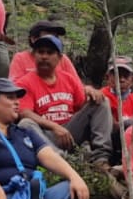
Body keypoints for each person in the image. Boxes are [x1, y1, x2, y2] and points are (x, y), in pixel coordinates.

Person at [15, 35, 112, 165]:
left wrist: (92, 93)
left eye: (50, 53)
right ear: (34, 56)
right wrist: (54, 127)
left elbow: (82, 105)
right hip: (46, 135)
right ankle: (64, 161)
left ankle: (100, 159)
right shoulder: (24, 82)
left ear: (60, 58)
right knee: (25, 123)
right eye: (40, 52)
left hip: (70, 131)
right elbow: (24, 113)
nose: (44, 56)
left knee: (101, 101)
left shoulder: (68, 79)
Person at [7, 19, 80, 81]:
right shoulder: (21, 58)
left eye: (55, 37)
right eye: (47, 36)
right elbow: (15, 87)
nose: (52, 40)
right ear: (33, 39)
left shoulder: (62, 58)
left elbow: (76, 83)